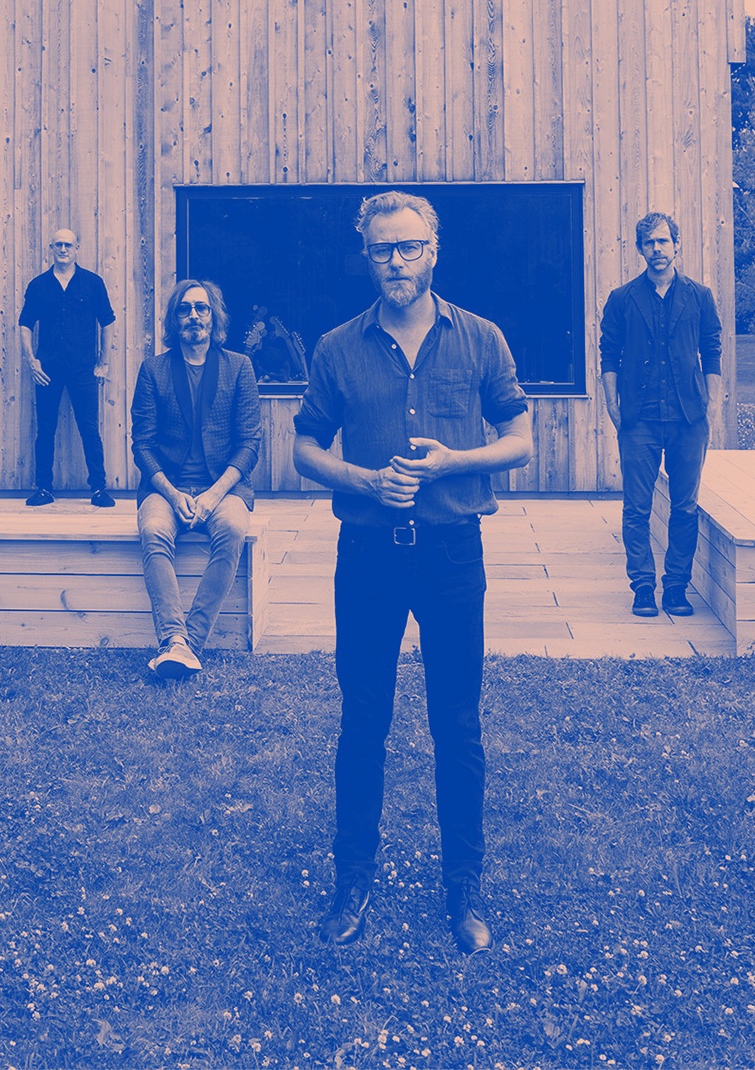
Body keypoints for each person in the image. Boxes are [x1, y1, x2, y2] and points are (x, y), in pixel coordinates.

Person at [293, 190, 532, 955]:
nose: (395, 262)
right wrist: (363, 481)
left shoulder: (481, 339)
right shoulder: (336, 347)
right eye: (381, 250)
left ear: (435, 251)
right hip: (366, 558)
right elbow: (304, 449)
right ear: (367, 257)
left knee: (456, 723)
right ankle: (352, 880)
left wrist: (457, 462)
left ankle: (464, 887)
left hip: (453, 552)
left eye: (408, 247)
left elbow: (521, 439)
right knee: (364, 722)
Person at [130, 279, 262, 678]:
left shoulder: (240, 367)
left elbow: (250, 443)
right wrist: (170, 494)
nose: (194, 316)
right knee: (153, 531)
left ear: (213, 316)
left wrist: (214, 494)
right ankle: (175, 641)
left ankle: (186, 643)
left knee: (233, 530)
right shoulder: (153, 369)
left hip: (224, 487)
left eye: (201, 309)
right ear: (175, 318)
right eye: (185, 309)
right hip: (164, 485)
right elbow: (142, 444)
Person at [599, 211, 722, 620]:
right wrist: (613, 406)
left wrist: (713, 405)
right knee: (637, 507)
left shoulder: (700, 296)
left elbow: (712, 350)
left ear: (677, 245)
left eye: (664, 242)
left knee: (685, 508)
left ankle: (675, 588)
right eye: (649, 243)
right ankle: (643, 588)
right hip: (639, 420)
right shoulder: (622, 299)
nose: (657, 250)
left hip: (689, 418)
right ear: (640, 250)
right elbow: (609, 355)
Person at [20, 229, 117, 507]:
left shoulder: (92, 283)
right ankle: (43, 489)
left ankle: (98, 489)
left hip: (83, 369)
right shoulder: (39, 285)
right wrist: (31, 359)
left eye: (68, 244)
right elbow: (25, 323)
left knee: (89, 429)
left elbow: (107, 322)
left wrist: (104, 362)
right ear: (51, 248)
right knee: (45, 429)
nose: (63, 249)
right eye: (58, 244)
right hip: (47, 369)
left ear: (77, 248)